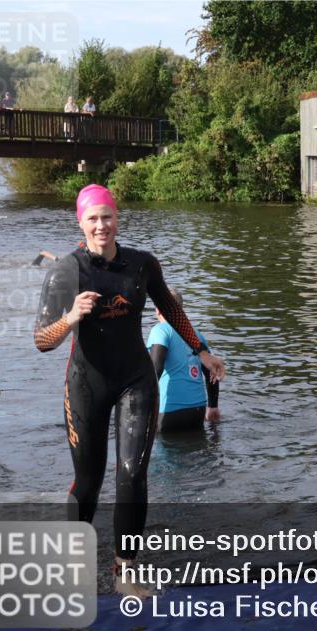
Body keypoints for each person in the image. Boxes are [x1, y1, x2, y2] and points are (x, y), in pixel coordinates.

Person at [33, 184, 225, 598]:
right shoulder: (66, 271)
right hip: (87, 384)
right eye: (93, 218)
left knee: (133, 474)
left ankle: (125, 569)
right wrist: (70, 318)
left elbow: (171, 308)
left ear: (117, 217)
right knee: (88, 480)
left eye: (108, 216)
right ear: (80, 222)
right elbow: (42, 341)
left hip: (136, 380)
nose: (101, 225)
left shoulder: (142, 264)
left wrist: (202, 352)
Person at [147, 288, 220, 433]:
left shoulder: (160, 330)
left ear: (157, 309)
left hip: (169, 413)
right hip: (197, 412)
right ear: (181, 309)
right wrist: (212, 407)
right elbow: (211, 372)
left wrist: (142, 406)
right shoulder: (196, 335)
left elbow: (156, 369)